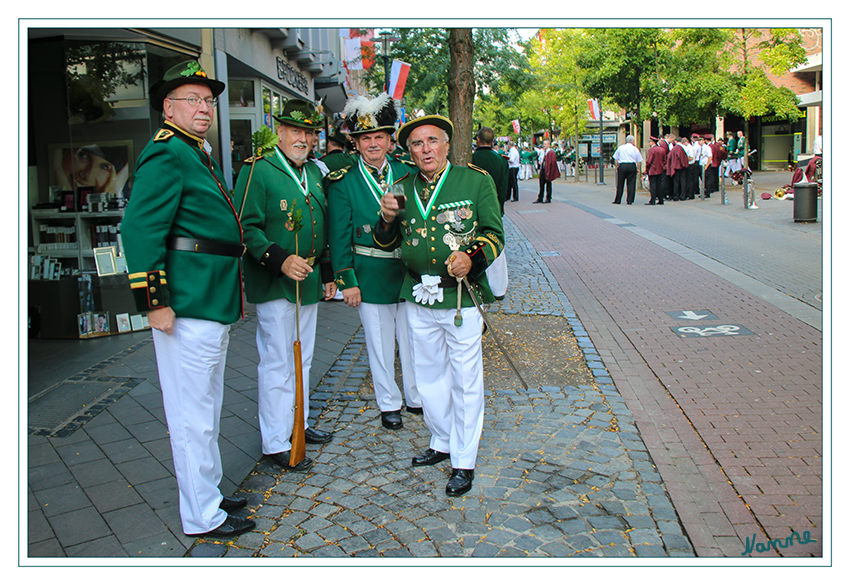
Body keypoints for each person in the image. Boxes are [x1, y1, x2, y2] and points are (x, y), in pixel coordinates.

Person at [121, 60, 254, 539]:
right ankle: (202, 515)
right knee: (191, 415)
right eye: (193, 100)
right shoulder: (167, 153)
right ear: (167, 107)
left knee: (208, 408)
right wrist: (154, 301)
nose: (204, 108)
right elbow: (139, 230)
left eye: (208, 100)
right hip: (187, 302)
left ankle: (210, 493)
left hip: (209, 299)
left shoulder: (193, 150)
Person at [373, 114, 504, 497]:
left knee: (464, 379)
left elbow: (494, 233)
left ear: (447, 144)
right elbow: (385, 242)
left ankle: (464, 460)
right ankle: (442, 440)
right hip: (416, 296)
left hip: (460, 297)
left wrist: (473, 258)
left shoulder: (475, 181)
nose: (425, 149)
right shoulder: (400, 187)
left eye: (432, 141)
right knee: (427, 377)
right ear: (409, 151)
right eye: (417, 143)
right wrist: (385, 218)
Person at [234, 98, 337, 474]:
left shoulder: (314, 172)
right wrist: (279, 259)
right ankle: (276, 440)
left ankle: (299, 424)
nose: (303, 138)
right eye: (296, 130)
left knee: (303, 359)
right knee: (278, 361)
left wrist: (327, 274)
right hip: (276, 282)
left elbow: (320, 226)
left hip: (307, 282)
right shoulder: (258, 170)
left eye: (309, 132)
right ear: (279, 131)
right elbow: (245, 226)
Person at [325, 93, 421, 431]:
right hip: (369, 271)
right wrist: (347, 280)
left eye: (379, 136)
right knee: (379, 344)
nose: (373, 143)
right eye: (365, 138)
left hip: (408, 272)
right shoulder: (344, 182)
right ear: (356, 143)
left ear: (390, 139)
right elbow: (338, 236)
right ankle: (388, 403)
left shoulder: (407, 173)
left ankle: (415, 395)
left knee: (412, 338)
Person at [472, 126, 510, 299]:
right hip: (494, 209)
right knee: (496, 247)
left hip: (472, 210)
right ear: (493, 141)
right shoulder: (501, 160)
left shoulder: (471, 158)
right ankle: (498, 288)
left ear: (478, 140)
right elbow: (504, 188)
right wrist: (499, 208)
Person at [611, 135, 643, 205]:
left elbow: (615, 158)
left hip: (622, 165)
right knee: (631, 183)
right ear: (632, 141)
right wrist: (638, 169)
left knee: (620, 183)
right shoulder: (635, 149)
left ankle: (618, 199)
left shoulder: (620, 148)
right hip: (631, 165)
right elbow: (639, 160)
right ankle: (630, 200)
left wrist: (617, 166)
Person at [534, 139, 560, 203]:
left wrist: (550, 172)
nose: (544, 145)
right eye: (543, 144)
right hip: (543, 169)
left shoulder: (551, 152)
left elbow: (552, 162)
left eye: (545, 144)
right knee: (541, 185)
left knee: (548, 185)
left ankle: (548, 198)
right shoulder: (543, 152)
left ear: (549, 145)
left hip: (547, 170)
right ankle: (540, 198)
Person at [645, 136, 667, 205]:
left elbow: (649, 161)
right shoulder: (662, 149)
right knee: (660, 185)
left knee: (653, 185)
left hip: (652, 170)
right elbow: (665, 160)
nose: (649, 143)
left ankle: (653, 200)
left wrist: (647, 169)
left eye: (649, 141)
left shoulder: (651, 150)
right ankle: (661, 199)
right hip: (660, 169)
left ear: (652, 142)